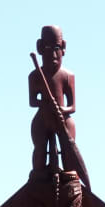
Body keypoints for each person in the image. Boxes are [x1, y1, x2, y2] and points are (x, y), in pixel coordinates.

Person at [28, 25, 76, 175]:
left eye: (57, 48)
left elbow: (73, 106)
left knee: (68, 147)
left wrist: (63, 110)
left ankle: (70, 173)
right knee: (40, 147)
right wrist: (45, 103)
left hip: (62, 118)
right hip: (43, 118)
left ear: (63, 48)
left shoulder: (67, 76)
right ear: (40, 48)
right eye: (48, 48)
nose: (54, 54)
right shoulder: (35, 76)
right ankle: (38, 174)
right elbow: (32, 101)